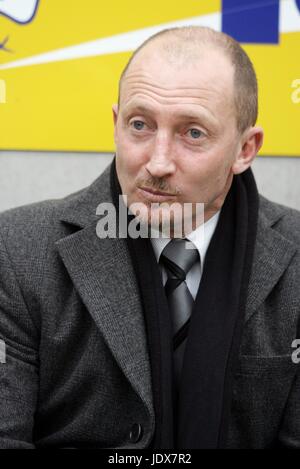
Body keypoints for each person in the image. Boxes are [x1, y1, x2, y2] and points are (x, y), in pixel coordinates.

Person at [0, 26, 299, 449]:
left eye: (193, 133)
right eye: (139, 125)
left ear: (244, 150)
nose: (158, 162)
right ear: (115, 123)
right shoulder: (16, 251)